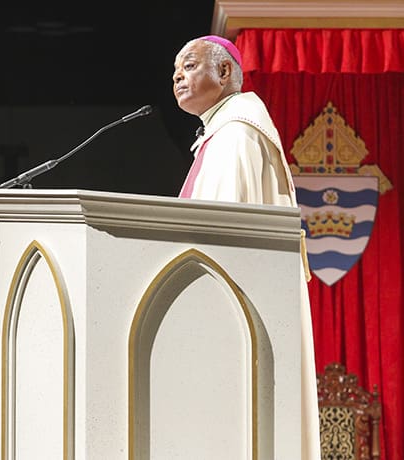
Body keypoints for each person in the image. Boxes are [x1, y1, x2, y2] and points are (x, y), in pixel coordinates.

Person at [172, 35, 321, 460]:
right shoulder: (225, 132)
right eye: (175, 72)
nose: (178, 76)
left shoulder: (236, 136)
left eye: (188, 65)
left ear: (223, 72)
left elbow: (216, 240)